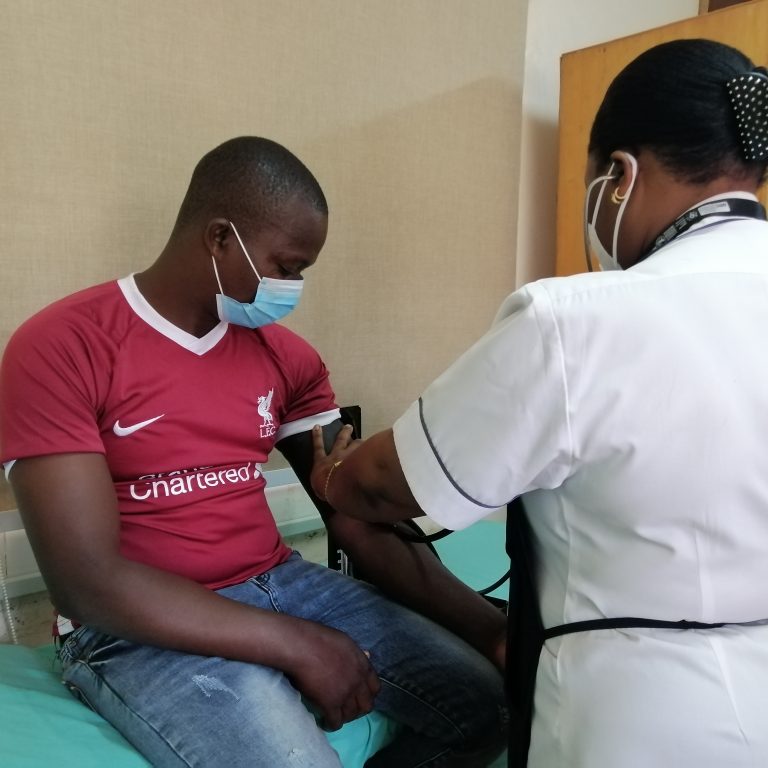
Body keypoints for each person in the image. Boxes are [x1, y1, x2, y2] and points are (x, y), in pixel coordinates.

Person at [309, 39, 768, 768]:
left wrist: (333, 478)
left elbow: (383, 484)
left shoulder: (577, 322)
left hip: (632, 720)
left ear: (617, 176)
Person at [0, 137, 508, 768]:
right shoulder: (63, 346)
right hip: (132, 625)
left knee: (485, 704)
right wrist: (297, 645)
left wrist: (490, 629)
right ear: (220, 238)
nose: (293, 287)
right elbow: (87, 584)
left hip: (281, 582)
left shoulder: (285, 357)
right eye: (287, 266)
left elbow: (351, 513)